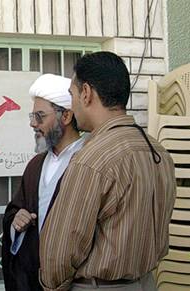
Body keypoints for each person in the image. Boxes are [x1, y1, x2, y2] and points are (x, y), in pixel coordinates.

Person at [39, 51, 176, 291]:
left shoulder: (91, 159)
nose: (71, 105)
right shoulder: (158, 152)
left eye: (72, 94)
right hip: (147, 282)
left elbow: (60, 252)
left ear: (86, 93)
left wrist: (51, 286)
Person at [2, 74, 86, 291]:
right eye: (32, 116)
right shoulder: (35, 165)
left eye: (40, 116)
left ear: (66, 116)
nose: (33, 124)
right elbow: (15, 210)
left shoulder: (88, 162)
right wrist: (16, 220)